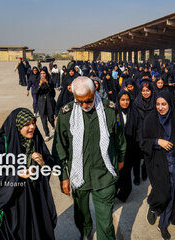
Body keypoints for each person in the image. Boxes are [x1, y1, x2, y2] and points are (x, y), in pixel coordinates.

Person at [52, 77, 126, 240]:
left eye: (89, 101)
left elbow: (120, 139)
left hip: (104, 174)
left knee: (106, 223)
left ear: (95, 92)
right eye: (80, 102)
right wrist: (63, 177)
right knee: (81, 215)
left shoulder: (109, 110)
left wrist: (120, 160)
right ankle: (85, 232)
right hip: (80, 175)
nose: (84, 105)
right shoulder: (67, 114)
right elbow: (59, 147)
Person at [0, 108, 57, 240]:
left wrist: (43, 163)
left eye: (33, 123)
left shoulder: (36, 139)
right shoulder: (2, 146)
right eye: (26, 124)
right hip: (15, 205)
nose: (32, 127)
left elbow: (49, 163)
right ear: (17, 126)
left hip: (36, 200)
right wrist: (17, 175)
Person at [142, 91, 175, 240]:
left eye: (163, 104)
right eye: (158, 104)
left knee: (172, 193)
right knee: (162, 193)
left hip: (174, 161)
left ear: (170, 104)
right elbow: (143, 142)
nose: (160, 107)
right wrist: (158, 142)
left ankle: (163, 224)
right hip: (158, 163)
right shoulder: (150, 119)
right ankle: (152, 205)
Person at [115, 91, 141, 202]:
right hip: (117, 149)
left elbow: (139, 130)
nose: (125, 102)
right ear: (118, 100)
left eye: (127, 100)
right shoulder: (114, 113)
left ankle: (123, 194)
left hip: (131, 148)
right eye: (122, 100)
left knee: (126, 173)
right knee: (116, 173)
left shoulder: (134, 112)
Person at [132, 82, 155, 185]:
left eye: (147, 90)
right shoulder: (136, 102)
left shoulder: (155, 102)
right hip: (138, 132)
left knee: (148, 154)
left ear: (151, 91)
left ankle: (145, 170)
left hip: (150, 132)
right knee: (136, 157)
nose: (145, 93)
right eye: (143, 91)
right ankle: (136, 176)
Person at [36, 69, 56, 141]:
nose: (42, 75)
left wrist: (47, 83)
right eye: (41, 73)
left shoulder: (50, 80)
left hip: (49, 101)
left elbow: (53, 92)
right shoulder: (38, 81)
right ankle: (47, 134)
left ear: (46, 74)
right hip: (41, 102)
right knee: (43, 119)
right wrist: (39, 85)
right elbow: (36, 92)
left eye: (44, 73)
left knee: (50, 117)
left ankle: (53, 126)